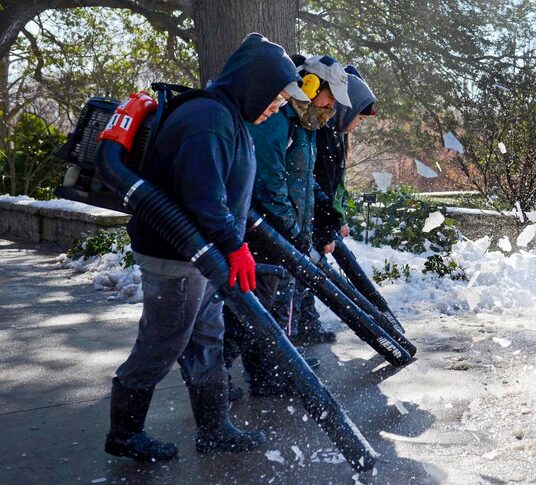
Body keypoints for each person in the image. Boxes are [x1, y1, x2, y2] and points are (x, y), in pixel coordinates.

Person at [105, 33, 309, 462]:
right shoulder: (208, 120)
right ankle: (124, 434)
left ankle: (215, 428)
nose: (278, 106)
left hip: (199, 257)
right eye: (275, 97)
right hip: (176, 256)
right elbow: (203, 196)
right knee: (164, 341)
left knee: (207, 338)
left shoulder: (225, 117)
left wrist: (234, 242)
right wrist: (235, 245)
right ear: (254, 85)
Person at [224, 54, 350, 397]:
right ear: (310, 86)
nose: (331, 107)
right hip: (263, 229)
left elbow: (304, 179)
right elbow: (269, 182)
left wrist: (325, 214)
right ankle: (216, 374)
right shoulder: (277, 120)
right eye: (329, 98)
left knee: (273, 305)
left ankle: (267, 374)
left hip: (285, 229)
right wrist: (290, 229)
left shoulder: (304, 125)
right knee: (254, 306)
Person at [300, 67, 377, 340]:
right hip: (307, 219)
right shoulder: (320, 133)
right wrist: (325, 227)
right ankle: (302, 329)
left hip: (317, 216)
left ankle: (306, 326)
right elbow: (313, 183)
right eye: (357, 117)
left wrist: (338, 216)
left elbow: (336, 185)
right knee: (308, 274)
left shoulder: (333, 135)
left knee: (309, 275)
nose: (357, 123)